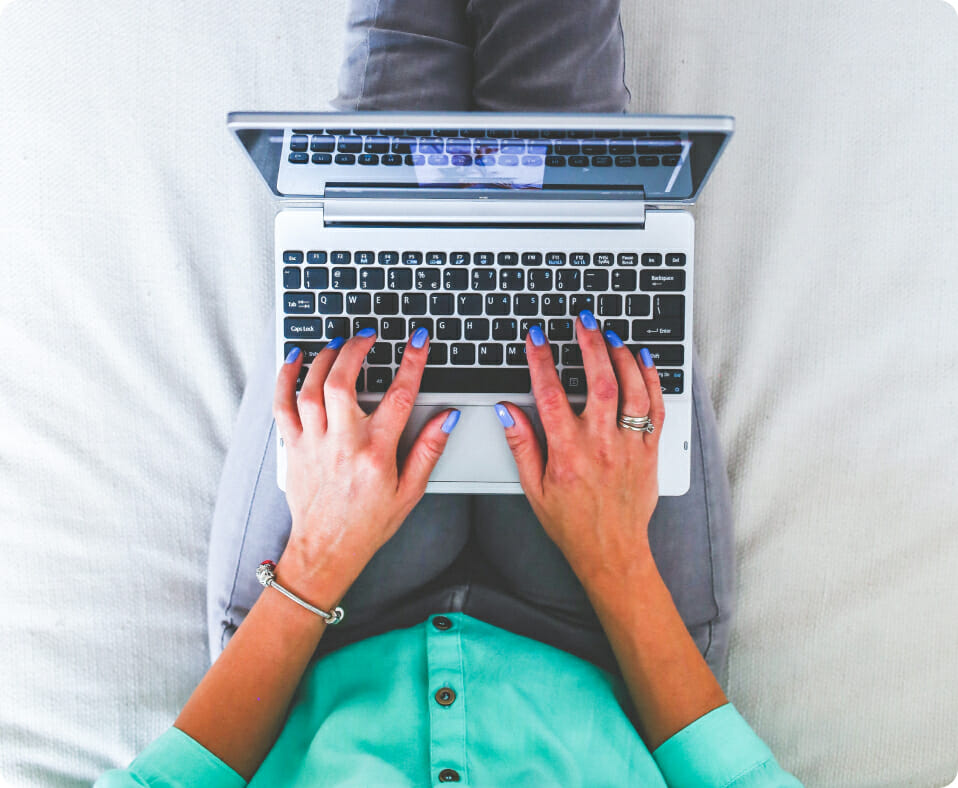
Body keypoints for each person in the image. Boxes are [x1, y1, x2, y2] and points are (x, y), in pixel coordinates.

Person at [98, 0, 802, 785]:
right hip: (620, 642)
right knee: (571, 153)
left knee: (384, 164)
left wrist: (318, 554)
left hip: (311, 635)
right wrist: (616, 562)